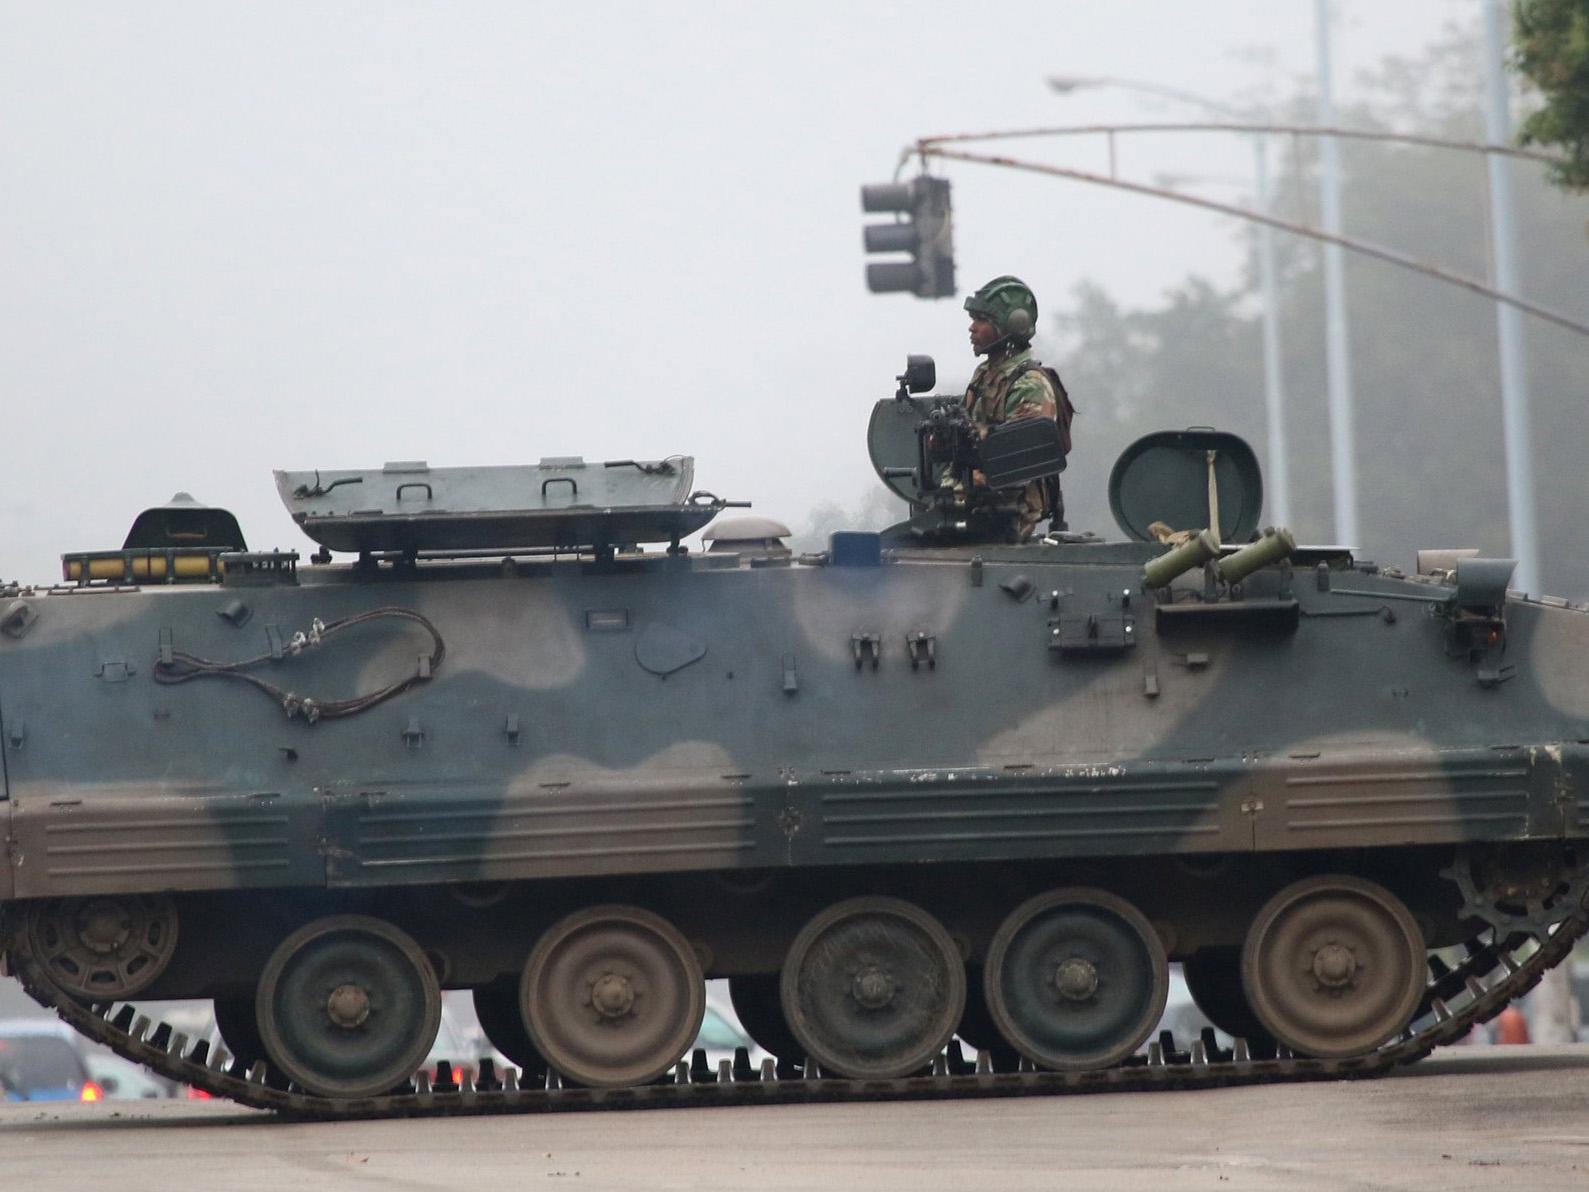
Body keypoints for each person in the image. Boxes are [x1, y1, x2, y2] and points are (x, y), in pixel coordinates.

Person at [962, 275, 1075, 538]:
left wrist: (963, 482)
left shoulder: (1029, 385)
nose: (972, 328)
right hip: (976, 506)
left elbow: (1017, 462)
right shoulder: (985, 374)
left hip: (1010, 513)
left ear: (1009, 326)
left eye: (981, 320)